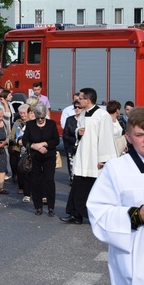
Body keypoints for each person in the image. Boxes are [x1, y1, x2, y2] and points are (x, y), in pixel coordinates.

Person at [87, 107, 144, 285]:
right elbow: (98, 212)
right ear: (128, 138)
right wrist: (137, 215)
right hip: (140, 256)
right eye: (140, 135)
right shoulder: (116, 169)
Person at [60, 87, 118, 224]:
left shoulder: (102, 115)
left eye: (80, 98)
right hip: (82, 157)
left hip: (94, 159)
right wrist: (77, 132)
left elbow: (106, 138)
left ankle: (98, 216)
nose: (77, 100)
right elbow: (78, 131)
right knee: (77, 186)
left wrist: (104, 159)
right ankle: (75, 214)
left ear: (88, 99)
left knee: (94, 190)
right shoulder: (84, 114)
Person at [23, 103, 60, 216]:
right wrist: (35, 146)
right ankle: (38, 206)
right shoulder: (30, 125)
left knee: (49, 180)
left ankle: (51, 207)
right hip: (35, 157)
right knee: (36, 181)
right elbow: (25, 141)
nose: (39, 120)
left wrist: (44, 144)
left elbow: (56, 140)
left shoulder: (51, 124)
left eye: (42, 118)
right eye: (38, 118)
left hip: (49, 156)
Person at [10, 104, 32, 202]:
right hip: (19, 148)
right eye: (21, 113)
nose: (22, 115)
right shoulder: (17, 122)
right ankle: (21, 186)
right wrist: (16, 141)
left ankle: (30, 187)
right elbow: (12, 135)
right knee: (20, 168)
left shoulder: (32, 122)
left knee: (30, 169)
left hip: (30, 148)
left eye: (24, 113)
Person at [62, 101, 83, 183]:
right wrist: (75, 141)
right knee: (72, 165)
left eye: (79, 107)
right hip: (71, 147)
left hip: (83, 147)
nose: (77, 109)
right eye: (75, 107)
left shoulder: (86, 120)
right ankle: (72, 179)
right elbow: (65, 135)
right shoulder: (70, 120)